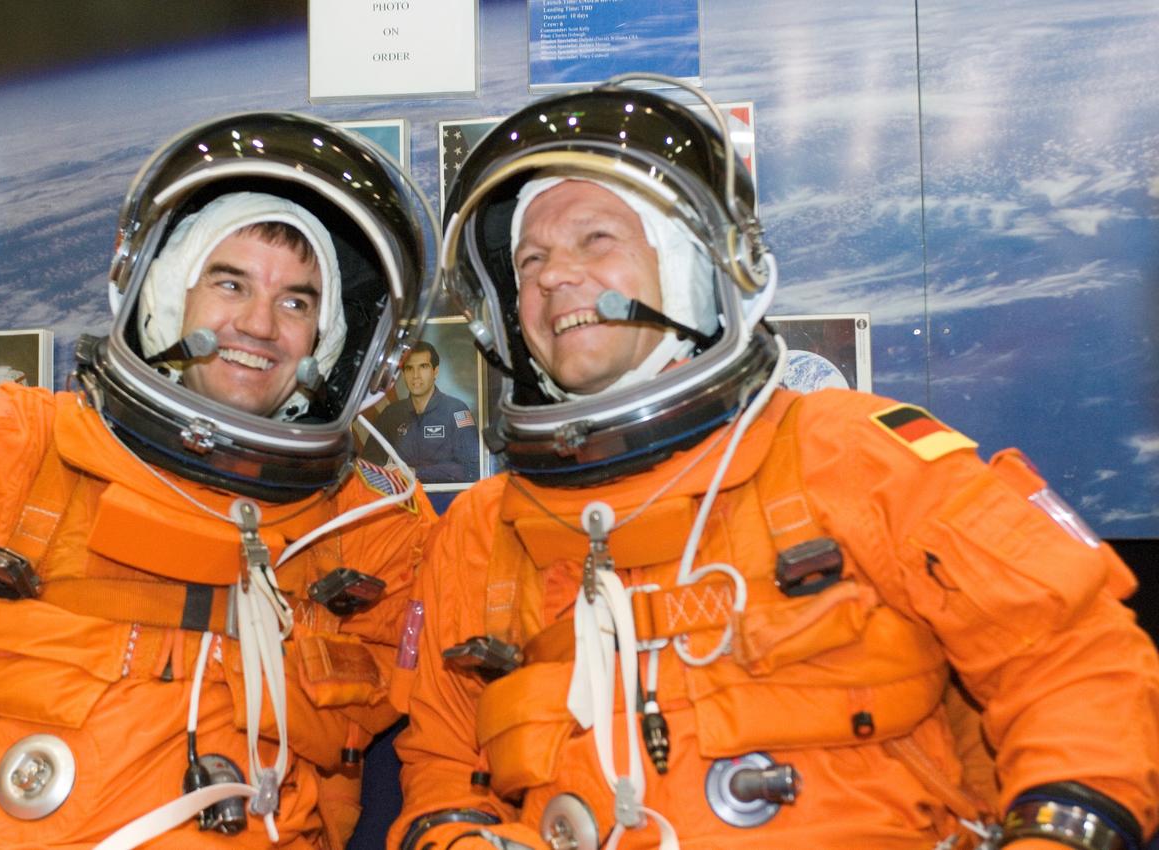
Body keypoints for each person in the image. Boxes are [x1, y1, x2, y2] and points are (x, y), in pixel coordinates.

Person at [390, 78, 1159, 850]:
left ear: (694, 267)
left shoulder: (856, 455)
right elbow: (443, 768)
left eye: (597, 240)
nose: (555, 275)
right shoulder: (484, 536)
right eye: (531, 259)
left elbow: (1072, 657)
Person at [0, 111, 443, 849]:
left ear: (327, 346)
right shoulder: (8, 451)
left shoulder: (373, 533)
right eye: (230, 283)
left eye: (297, 302)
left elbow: (457, 732)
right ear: (166, 294)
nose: (260, 324)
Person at [361, 341, 480, 484]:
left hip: (444, 499)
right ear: (403, 373)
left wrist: (417, 473)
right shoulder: (391, 414)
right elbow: (367, 465)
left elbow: (472, 469)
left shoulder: (455, 411)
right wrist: (387, 473)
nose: (415, 375)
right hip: (404, 500)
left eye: (423, 367)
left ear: (435, 371)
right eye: (409, 368)